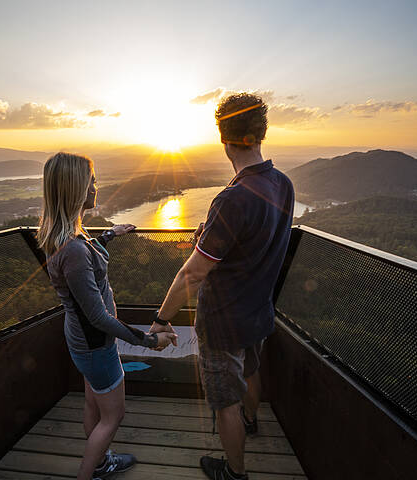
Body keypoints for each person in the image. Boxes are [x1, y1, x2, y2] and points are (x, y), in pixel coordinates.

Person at [149, 93, 294, 480]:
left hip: (222, 321)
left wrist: (162, 319)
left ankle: (234, 472)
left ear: (223, 138)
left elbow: (192, 274)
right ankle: (250, 423)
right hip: (258, 312)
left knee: (224, 400)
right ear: (260, 133)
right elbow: (258, 240)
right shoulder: (282, 184)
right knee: (250, 371)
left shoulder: (232, 199)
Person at [36, 152, 177, 480]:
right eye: (92, 181)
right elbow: (98, 316)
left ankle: (100, 463)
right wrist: (148, 340)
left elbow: (82, 263)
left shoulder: (66, 238)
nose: (96, 187)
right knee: (112, 417)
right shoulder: (72, 249)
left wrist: (109, 236)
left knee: (93, 404)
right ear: (76, 188)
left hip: (82, 342)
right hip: (96, 344)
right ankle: (92, 472)